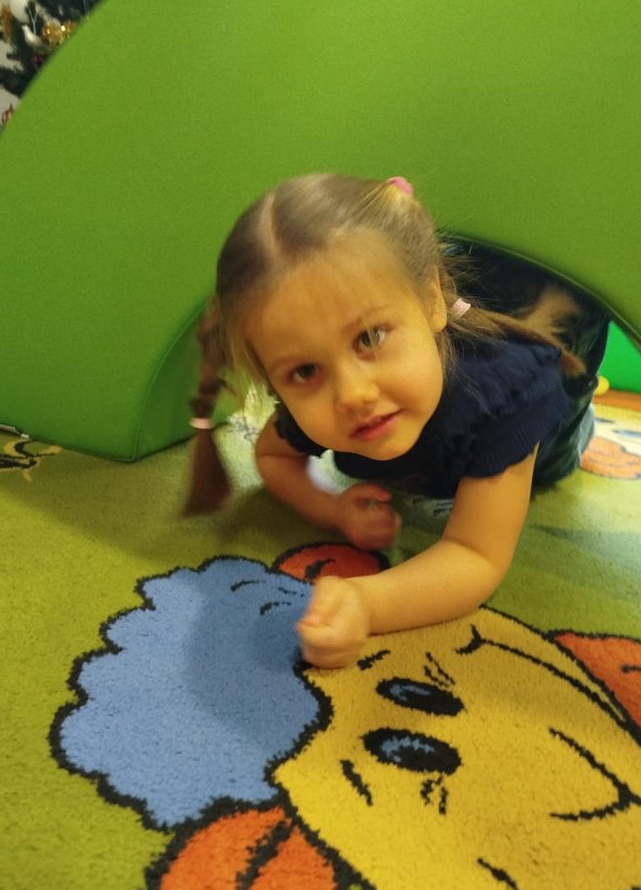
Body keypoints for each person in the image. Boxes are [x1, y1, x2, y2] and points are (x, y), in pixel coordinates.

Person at [185, 173, 608, 669]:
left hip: (544, 443)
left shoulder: (507, 393)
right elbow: (272, 456)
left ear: (432, 301)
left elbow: (475, 556)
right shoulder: (315, 401)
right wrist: (333, 509)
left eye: (369, 338)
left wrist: (367, 602)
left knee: (569, 409)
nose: (352, 395)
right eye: (304, 371)